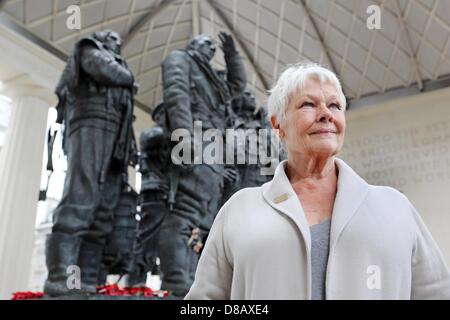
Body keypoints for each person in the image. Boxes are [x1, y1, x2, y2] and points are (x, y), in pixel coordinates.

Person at [185, 62, 450, 299]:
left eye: (335, 105)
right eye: (308, 105)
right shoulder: (239, 209)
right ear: (278, 125)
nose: (326, 114)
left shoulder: (395, 206)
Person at [44, 30, 137, 296]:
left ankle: (89, 278)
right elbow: (111, 72)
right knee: (81, 197)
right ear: (102, 39)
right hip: (90, 124)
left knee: (104, 208)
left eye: (119, 42)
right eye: (113, 40)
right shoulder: (89, 49)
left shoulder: (115, 61)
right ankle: (61, 275)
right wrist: (127, 76)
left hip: (114, 135)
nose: (117, 44)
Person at [158, 32, 246, 296]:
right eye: (205, 43)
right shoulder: (181, 59)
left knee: (204, 217)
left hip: (214, 148)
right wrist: (184, 138)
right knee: (186, 209)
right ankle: (174, 277)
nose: (210, 48)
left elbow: (238, 87)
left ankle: (190, 277)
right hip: (196, 140)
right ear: (191, 44)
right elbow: (177, 96)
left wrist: (232, 56)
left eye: (213, 45)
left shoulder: (214, 80)